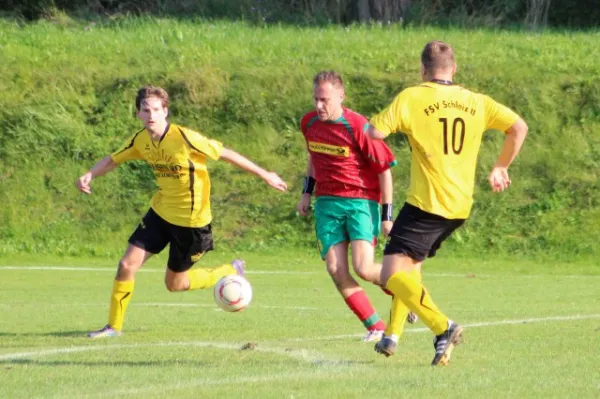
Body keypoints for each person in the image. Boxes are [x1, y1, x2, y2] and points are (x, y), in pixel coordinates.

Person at [77, 86, 288, 338]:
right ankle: (113, 327)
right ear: (138, 115)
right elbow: (113, 160)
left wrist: (265, 174)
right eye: (146, 110)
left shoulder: (184, 137)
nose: (151, 115)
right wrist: (90, 173)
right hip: (160, 213)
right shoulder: (140, 140)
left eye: (156, 110)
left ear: (166, 111)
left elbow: (225, 154)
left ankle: (227, 271)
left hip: (192, 223)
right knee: (126, 265)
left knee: (174, 284)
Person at [367, 41, 528, 365]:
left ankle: (443, 327)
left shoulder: (413, 96)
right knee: (408, 267)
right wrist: (501, 166)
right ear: (454, 69)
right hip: (458, 206)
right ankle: (393, 336)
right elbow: (518, 127)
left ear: (422, 70)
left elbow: (374, 133)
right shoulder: (476, 102)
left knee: (389, 273)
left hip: (427, 203)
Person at [297, 70, 398, 342]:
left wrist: (387, 216)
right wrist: (306, 193)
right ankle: (376, 327)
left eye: (325, 100)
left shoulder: (359, 126)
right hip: (327, 203)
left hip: (360, 202)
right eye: (316, 99)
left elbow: (385, 170)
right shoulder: (308, 123)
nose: (319, 106)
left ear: (341, 96)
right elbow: (313, 157)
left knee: (364, 268)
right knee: (335, 269)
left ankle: (404, 290)